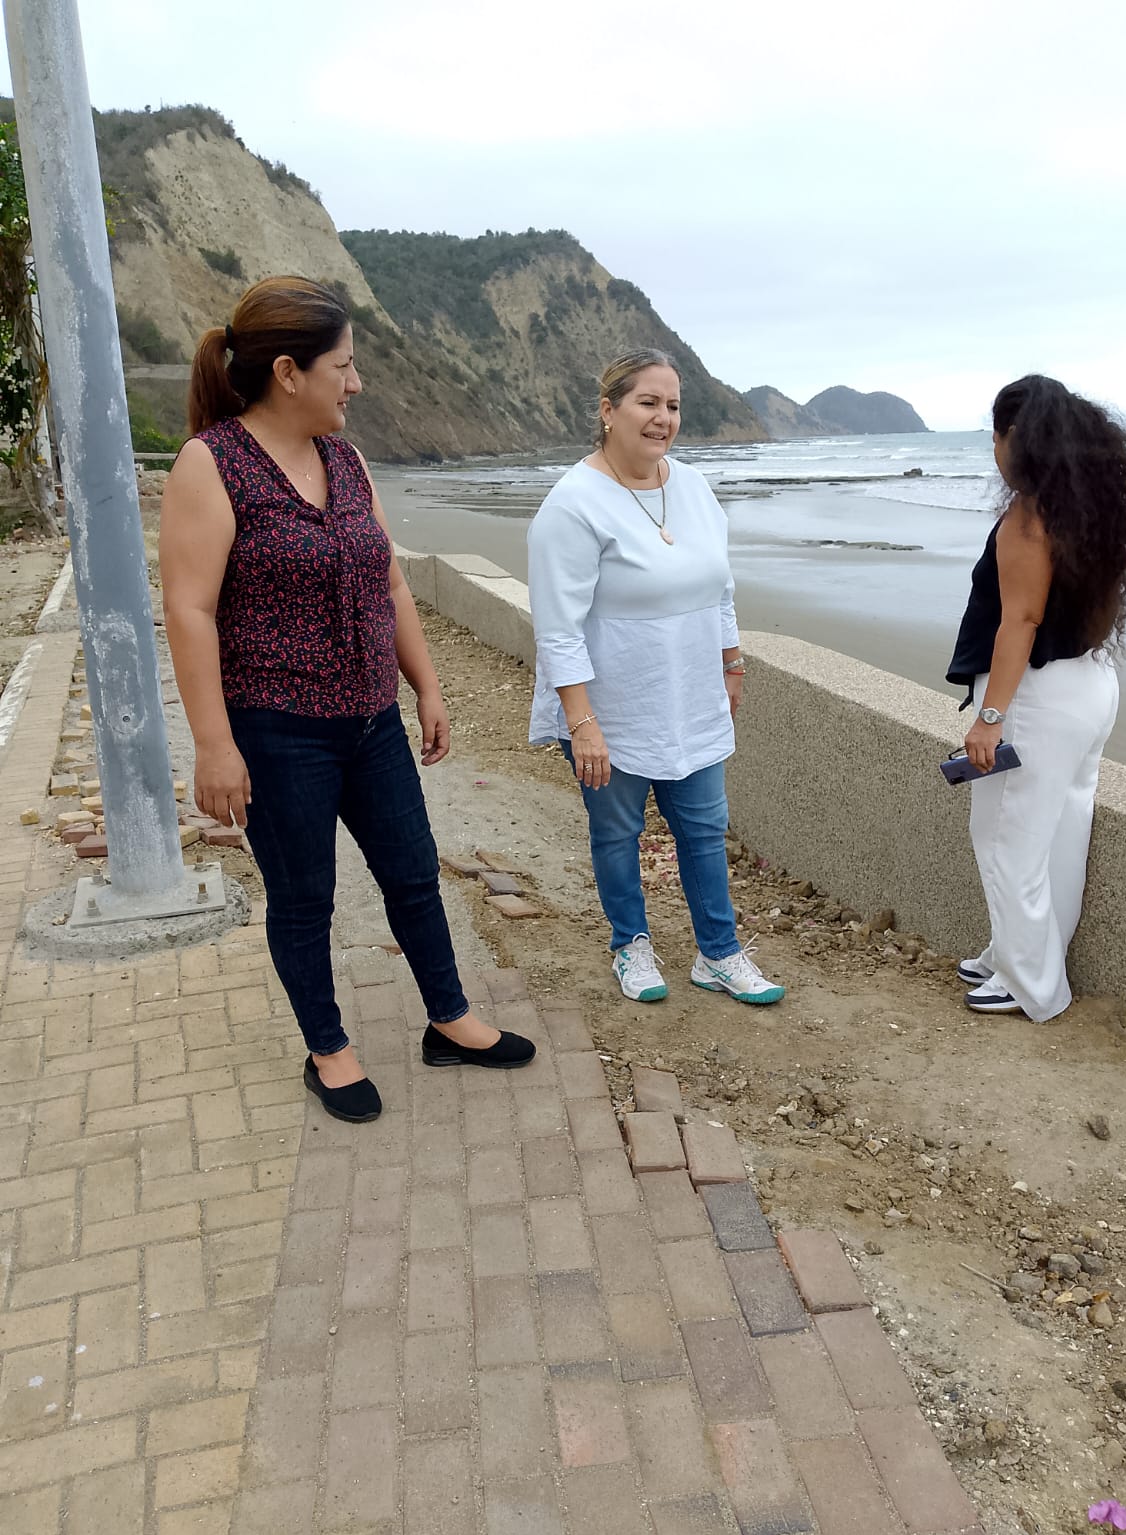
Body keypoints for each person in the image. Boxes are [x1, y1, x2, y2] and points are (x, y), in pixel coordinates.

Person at [160, 275, 534, 1122]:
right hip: (276, 729)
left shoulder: (347, 460)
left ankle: (450, 1019)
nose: (356, 383)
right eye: (344, 366)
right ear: (288, 372)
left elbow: (388, 582)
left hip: (372, 720)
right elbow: (190, 611)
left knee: (413, 874)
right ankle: (328, 1050)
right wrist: (214, 746)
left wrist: (426, 686)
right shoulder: (211, 464)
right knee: (305, 899)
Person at [527, 348, 784, 1006]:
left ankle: (718, 954)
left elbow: (720, 587)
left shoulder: (693, 488)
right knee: (618, 832)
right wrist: (582, 723)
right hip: (611, 706)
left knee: (704, 828)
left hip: (691, 695)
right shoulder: (573, 504)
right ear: (608, 411)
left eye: (672, 405)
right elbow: (557, 628)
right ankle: (630, 944)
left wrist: (731, 661)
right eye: (647, 402)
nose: (662, 417)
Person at [947, 374, 1126, 1020]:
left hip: (1036, 697)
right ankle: (1019, 956)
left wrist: (989, 718)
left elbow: (1020, 621)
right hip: (1091, 685)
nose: (993, 450)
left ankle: (1030, 984)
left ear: (1016, 438)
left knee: (1006, 839)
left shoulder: (1028, 518)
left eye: (995, 436)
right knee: (1061, 834)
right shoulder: (1094, 507)